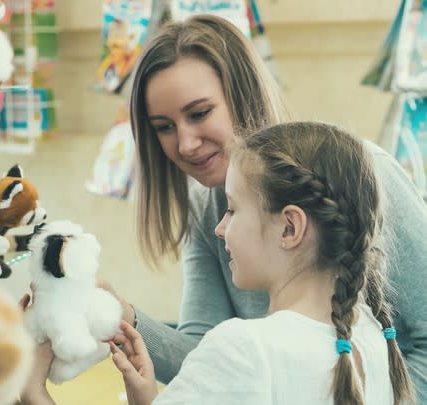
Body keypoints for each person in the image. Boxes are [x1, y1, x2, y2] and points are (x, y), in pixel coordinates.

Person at [103, 13, 427, 402]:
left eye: (200, 113)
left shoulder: (364, 174)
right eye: (163, 126)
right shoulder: (203, 208)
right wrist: (124, 317)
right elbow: (206, 357)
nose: (185, 144)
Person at [109, 121, 415, 404]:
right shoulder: (372, 334)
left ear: (289, 228)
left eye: (232, 209)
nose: (219, 228)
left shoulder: (243, 348)